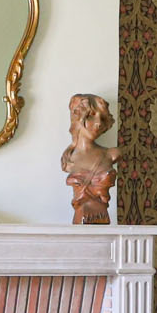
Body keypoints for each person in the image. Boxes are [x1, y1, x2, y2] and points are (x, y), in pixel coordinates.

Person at [60, 93, 121, 225]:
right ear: (78, 118)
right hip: (81, 217)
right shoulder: (68, 159)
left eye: (102, 118)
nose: (99, 123)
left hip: (102, 216)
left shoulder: (112, 154)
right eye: (92, 115)